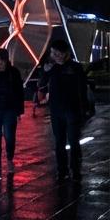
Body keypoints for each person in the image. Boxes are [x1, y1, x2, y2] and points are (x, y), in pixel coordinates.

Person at [38, 38, 89, 181]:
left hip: (72, 110)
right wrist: (45, 72)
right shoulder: (51, 67)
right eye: (52, 53)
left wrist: (83, 108)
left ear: (64, 53)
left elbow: (82, 89)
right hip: (56, 111)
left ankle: (75, 169)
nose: (53, 55)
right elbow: (41, 85)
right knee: (59, 142)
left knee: (73, 141)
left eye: (56, 53)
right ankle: (62, 170)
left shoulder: (75, 67)